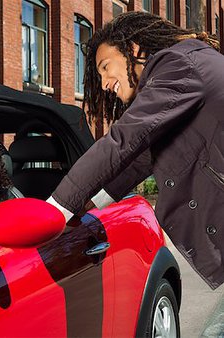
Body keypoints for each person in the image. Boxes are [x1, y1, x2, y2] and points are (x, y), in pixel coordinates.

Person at [47, 11, 224, 289]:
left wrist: (54, 212)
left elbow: (123, 140)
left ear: (133, 49)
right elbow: (143, 156)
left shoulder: (178, 66)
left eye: (105, 66)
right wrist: (92, 204)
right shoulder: (187, 66)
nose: (104, 84)